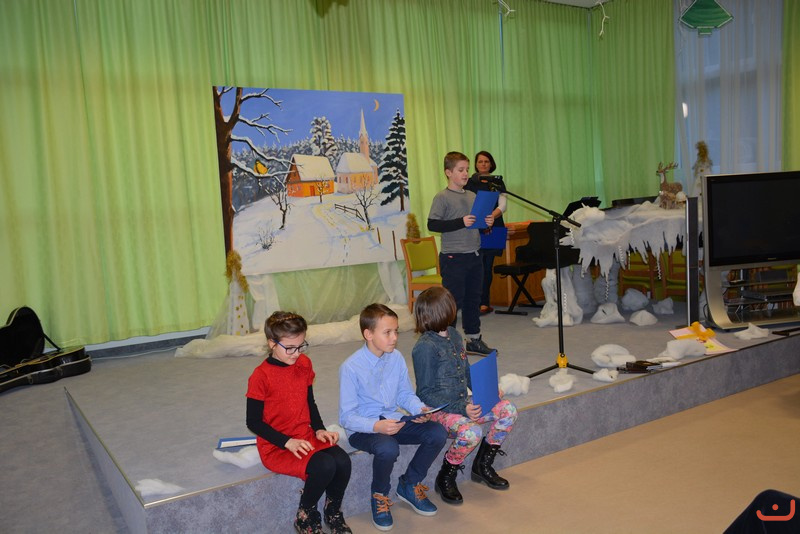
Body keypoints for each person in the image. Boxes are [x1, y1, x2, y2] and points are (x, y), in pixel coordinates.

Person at [339, 303, 448, 531]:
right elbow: (347, 417)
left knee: (437, 432)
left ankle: (409, 484)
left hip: (394, 421)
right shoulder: (350, 367)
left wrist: (419, 410)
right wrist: (376, 426)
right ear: (368, 334)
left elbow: (404, 394)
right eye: (387, 332)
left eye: (396, 331)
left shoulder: (396, 357)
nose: (394, 338)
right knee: (388, 448)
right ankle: (379, 496)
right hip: (364, 429)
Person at [246, 311, 352, 534]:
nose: (296, 353)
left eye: (301, 346)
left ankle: (333, 512)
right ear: (272, 343)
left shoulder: (304, 363)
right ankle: (305, 516)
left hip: (305, 436)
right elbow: (253, 422)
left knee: (342, 460)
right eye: (290, 348)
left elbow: (309, 402)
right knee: (324, 465)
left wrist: (319, 429)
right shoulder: (260, 376)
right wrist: (287, 442)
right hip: (277, 445)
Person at [411, 286, 518, 505]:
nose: (454, 308)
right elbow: (424, 393)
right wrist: (462, 408)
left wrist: (488, 390)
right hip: (440, 411)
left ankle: (482, 465)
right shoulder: (424, 347)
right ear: (439, 312)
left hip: (462, 403)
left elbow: (466, 372)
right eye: (450, 305)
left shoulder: (455, 335)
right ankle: (446, 475)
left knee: (508, 410)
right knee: (471, 432)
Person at [428, 151, 496, 355]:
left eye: (467, 169)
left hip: (474, 254)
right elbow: (432, 224)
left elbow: (477, 224)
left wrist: (487, 223)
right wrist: (461, 222)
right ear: (448, 172)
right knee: (453, 302)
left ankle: (473, 340)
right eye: (460, 170)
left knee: (473, 300)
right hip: (453, 257)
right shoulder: (442, 197)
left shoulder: (472, 196)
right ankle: (448, 342)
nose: (466, 173)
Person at [465, 151, 507, 315]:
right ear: (476, 164)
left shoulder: (497, 181)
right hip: (475, 226)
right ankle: (473, 302)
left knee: (487, 266)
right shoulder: (470, 182)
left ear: (491, 164)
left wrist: (491, 216)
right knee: (475, 266)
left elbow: (503, 205)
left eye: (486, 161)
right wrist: (480, 217)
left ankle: (484, 303)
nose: (483, 164)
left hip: (494, 225)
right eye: (480, 161)